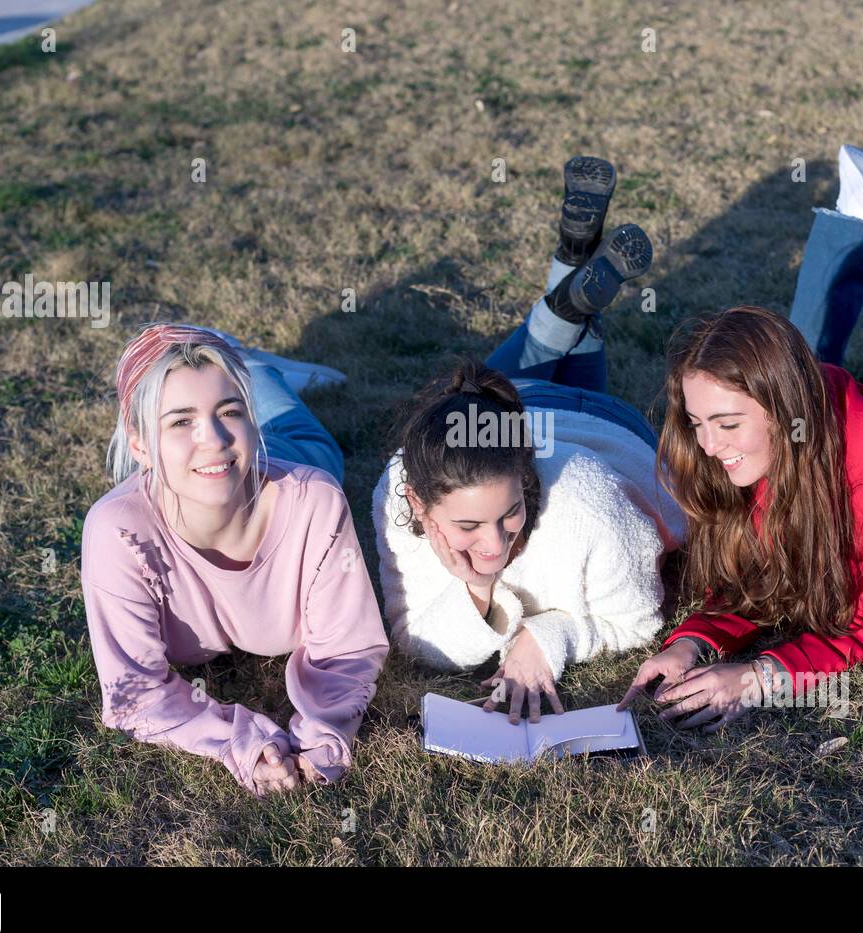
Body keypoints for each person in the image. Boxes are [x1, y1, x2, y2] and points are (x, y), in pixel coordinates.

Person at [619, 144, 863, 730]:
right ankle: (856, 221)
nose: (708, 446)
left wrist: (759, 678)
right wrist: (693, 641)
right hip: (816, 411)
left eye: (727, 425)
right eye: (699, 422)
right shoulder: (733, 441)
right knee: (794, 355)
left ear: (781, 413)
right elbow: (744, 581)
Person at [373, 157, 687, 724]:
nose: (493, 545)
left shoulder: (585, 507)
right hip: (526, 409)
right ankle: (565, 293)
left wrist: (549, 635)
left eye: (511, 514)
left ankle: (564, 296)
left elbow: (641, 621)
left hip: (611, 436)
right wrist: (477, 586)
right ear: (416, 502)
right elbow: (414, 637)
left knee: (532, 369)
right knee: (500, 385)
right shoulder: (399, 481)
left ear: (525, 478)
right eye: (468, 526)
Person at [80, 324, 388, 796]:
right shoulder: (117, 532)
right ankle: (246, 370)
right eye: (181, 421)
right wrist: (240, 744)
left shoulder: (312, 501)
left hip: (288, 447)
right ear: (140, 444)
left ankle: (258, 372)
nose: (216, 438)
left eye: (230, 411)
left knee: (315, 442)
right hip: (177, 474)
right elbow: (132, 695)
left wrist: (320, 741)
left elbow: (348, 648)